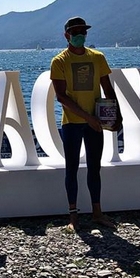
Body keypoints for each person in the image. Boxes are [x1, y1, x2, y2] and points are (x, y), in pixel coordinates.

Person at [50, 16, 120, 231]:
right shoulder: (59, 61)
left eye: (83, 32)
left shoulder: (97, 57)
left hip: (95, 122)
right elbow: (61, 96)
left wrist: (117, 116)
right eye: (75, 32)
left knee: (94, 167)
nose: (80, 35)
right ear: (67, 35)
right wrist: (87, 117)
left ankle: (97, 212)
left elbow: (108, 89)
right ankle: (73, 216)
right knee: (71, 168)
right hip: (72, 123)